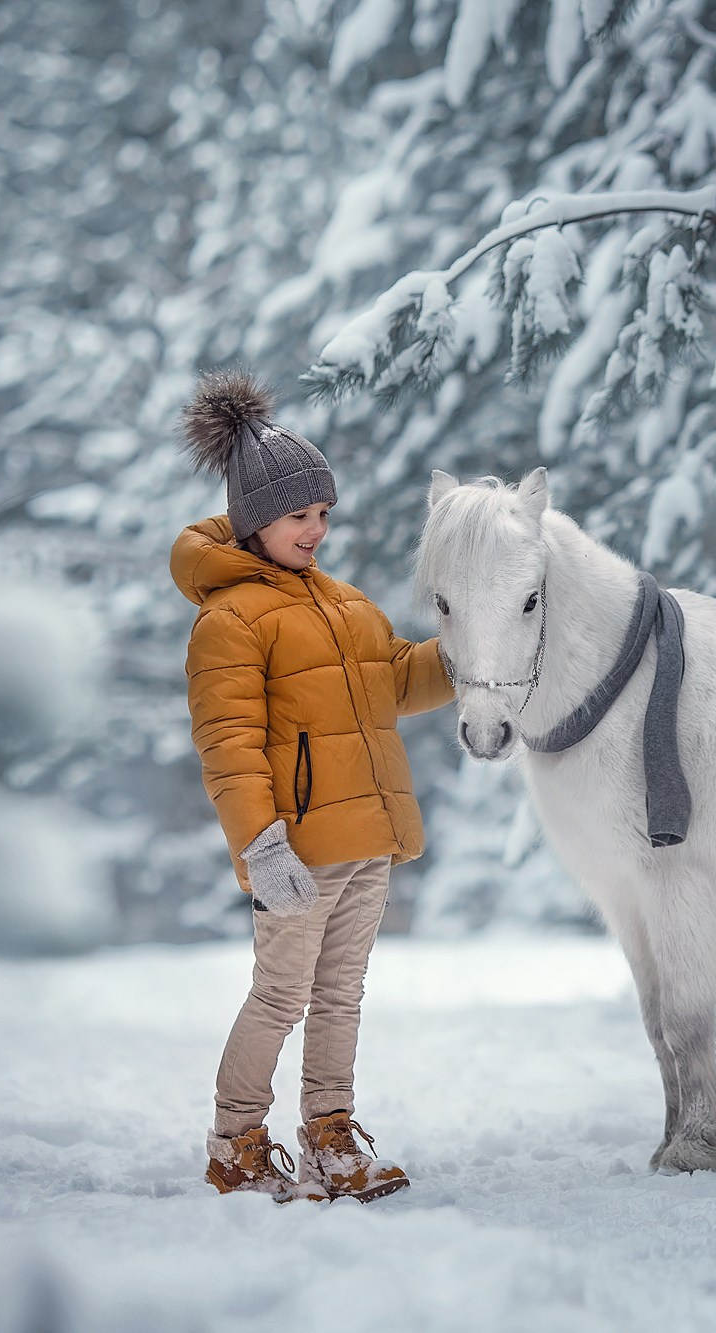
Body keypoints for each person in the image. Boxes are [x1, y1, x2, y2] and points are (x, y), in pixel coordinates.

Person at [170, 371, 452, 1203]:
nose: (317, 530)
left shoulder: (345, 604)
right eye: (301, 515)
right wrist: (260, 842)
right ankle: (235, 1139)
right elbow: (228, 743)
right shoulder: (231, 620)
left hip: (368, 842)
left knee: (339, 996)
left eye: (323, 513)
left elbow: (397, 680)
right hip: (294, 852)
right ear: (257, 518)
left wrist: (467, 650)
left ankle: (331, 1136)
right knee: (282, 994)